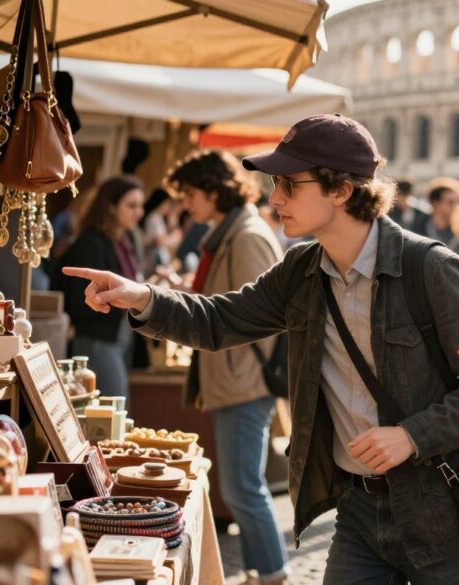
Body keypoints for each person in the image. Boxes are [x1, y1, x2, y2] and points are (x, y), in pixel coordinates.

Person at [62, 114, 459, 585]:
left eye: (289, 184)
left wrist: (411, 435)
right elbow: (221, 320)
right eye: (274, 183)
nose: (274, 197)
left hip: (438, 510)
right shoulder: (301, 269)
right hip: (359, 508)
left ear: (341, 190)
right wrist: (143, 298)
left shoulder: (432, 269)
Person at [164, 149, 289, 585]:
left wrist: (239, 366)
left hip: (245, 381)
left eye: (191, 193)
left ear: (216, 189)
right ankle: (262, 571)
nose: (186, 203)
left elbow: (267, 316)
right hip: (234, 378)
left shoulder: (246, 235)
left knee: (243, 489)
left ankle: (274, 574)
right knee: (240, 489)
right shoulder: (228, 232)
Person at [54, 176, 145, 402]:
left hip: (119, 337)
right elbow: (77, 297)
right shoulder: (91, 242)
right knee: (111, 408)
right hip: (97, 339)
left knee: (116, 408)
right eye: (131, 205)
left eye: (140, 205)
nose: (139, 212)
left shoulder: (126, 241)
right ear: (112, 207)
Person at [424, 178, 459, 243]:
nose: (455, 207)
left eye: (457, 202)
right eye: (450, 202)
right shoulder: (417, 227)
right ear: (436, 204)